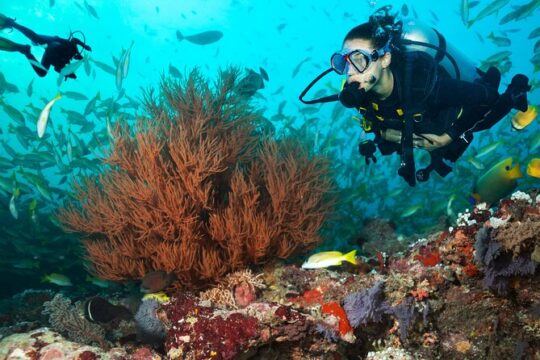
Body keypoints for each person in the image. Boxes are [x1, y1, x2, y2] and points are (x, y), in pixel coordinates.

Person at [299, 6, 531, 186]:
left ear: (385, 59)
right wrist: (375, 137)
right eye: (343, 63)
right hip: (420, 126)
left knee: (486, 119)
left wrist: (450, 136)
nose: (350, 74)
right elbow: (372, 123)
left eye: (359, 60)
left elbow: (487, 97)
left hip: (454, 114)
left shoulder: (424, 85)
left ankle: (511, 89)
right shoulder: (361, 92)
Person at [0, 13, 91, 80]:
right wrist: (84, 46)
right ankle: (13, 25)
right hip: (53, 44)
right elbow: (75, 40)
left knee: (42, 73)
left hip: (50, 49)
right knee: (36, 39)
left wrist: (67, 74)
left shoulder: (66, 61)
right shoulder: (73, 50)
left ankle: (25, 51)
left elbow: (57, 69)